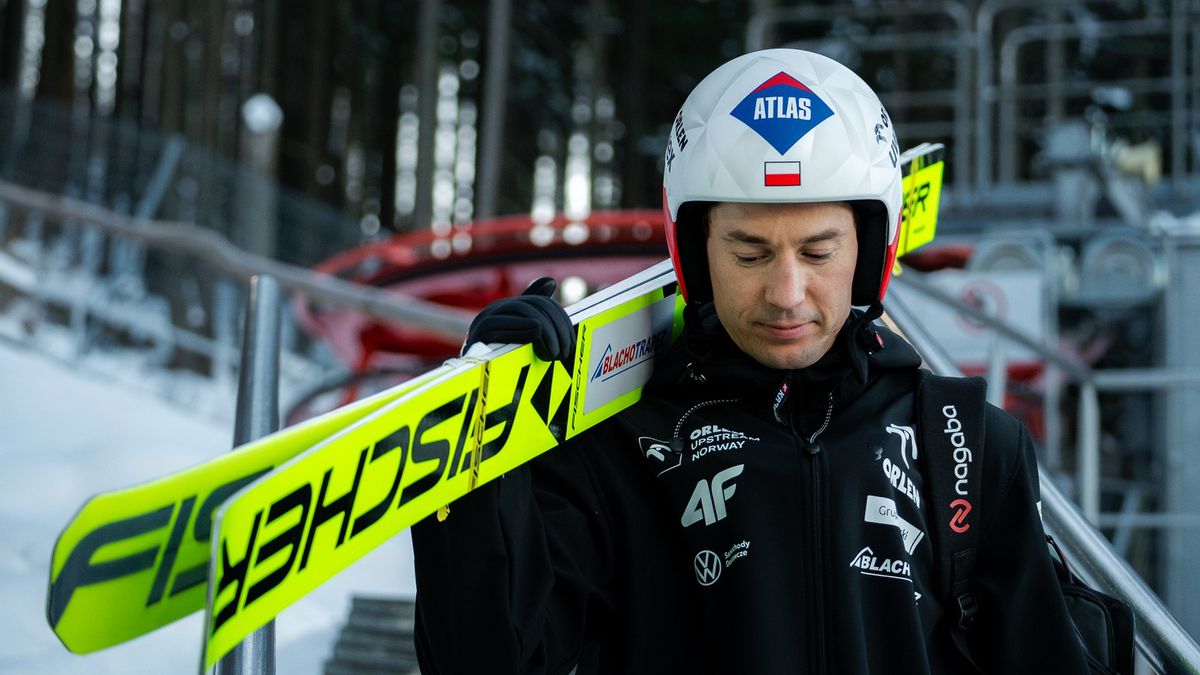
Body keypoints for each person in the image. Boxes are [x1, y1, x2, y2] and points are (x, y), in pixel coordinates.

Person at [411, 48, 1090, 674]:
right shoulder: (617, 447)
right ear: (697, 253)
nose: (786, 293)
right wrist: (485, 454)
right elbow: (490, 659)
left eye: (819, 253)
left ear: (871, 251)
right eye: (749, 253)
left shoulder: (963, 443)